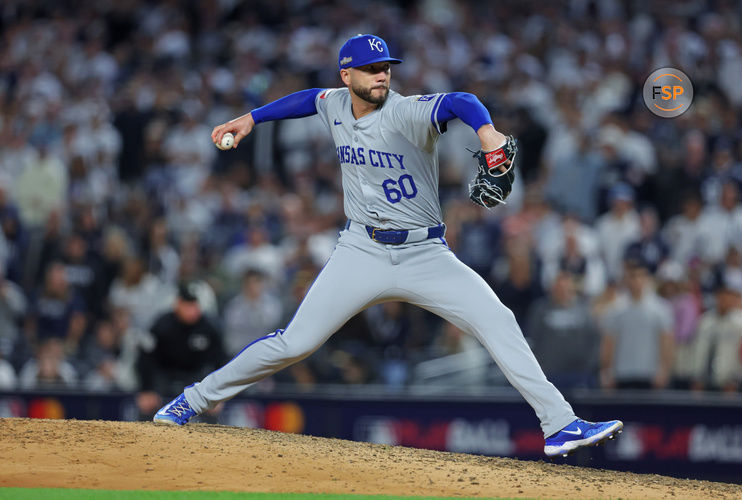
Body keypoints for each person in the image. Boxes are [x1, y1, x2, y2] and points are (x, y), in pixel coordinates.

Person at [153, 34, 622, 458]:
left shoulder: (407, 111)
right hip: (361, 250)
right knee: (295, 343)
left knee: (497, 320)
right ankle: (192, 400)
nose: (382, 75)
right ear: (347, 75)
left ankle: (559, 424)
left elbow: (461, 100)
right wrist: (252, 118)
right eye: (371, 69)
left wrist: (487, 132)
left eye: (386, 68)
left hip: (426, 254)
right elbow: (308, 100)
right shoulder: (336, 102)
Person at [137, 282, 225, 418]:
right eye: (187, 305)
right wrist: (146, 389)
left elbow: (220, 361)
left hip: (196, 379)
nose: (191, 310)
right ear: (177, 304)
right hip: (164, 378)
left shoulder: (210, 328)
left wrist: (217, 393)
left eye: (194, 305)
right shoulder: (161, 325)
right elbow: (145, 357)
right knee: (147, 408)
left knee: (213, 410)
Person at [599, 258, 674, 390]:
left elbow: (666, 342)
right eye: (633, 276)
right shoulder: (616, 309)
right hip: (621, 375)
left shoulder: (661, 309)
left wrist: (664, 371)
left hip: (650, 376)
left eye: (641, 276)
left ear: (647, 278)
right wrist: (606, 371)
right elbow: (609, 342)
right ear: (626, 279)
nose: (637, 281)